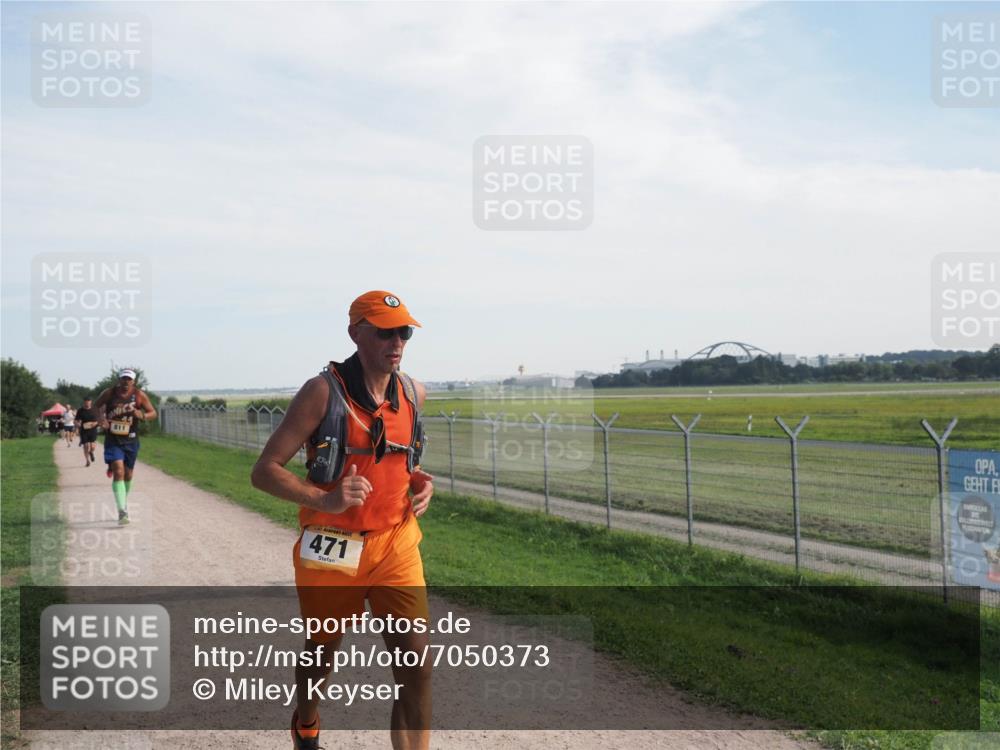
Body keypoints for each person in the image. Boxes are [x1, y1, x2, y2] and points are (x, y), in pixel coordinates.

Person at [251, 290, 434, 750]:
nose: (397, 342)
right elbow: (264, 471)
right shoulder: (321, 393)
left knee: (416, 666)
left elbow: (398, 461)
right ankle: (307, 720)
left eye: (404, 332)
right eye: (385, 332)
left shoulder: (413, 393)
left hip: (395, 543)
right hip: (333, 544)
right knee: (322, 655)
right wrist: (326, 501)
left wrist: (417, 482)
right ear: (355, 333)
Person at [94, 369, 157, 525]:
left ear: (133, 381)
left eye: (129, 379)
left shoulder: (140, 395)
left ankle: (123, 499)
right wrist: (101, 420)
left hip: (131, 440)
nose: (126, 382)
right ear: (119, 380)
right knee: (118, 470)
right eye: (123, 379)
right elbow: (95, 407)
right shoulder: (109, 393)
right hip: (113, 439)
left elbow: (153, 413)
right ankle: (122, 510)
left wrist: (142, 415)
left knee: (128, 475)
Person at [75, 398, 100, 467]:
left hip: (93, 430)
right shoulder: (80, 410)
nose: (87, 403)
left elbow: (99, 419)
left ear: (91, 402)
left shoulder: (95, 410)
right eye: (86, 402)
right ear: (84, 402)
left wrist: (95, 423)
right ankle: (87, 461)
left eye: (88, 402)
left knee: (92, 446)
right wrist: (77, 424)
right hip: (84, 430)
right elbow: (76, 420)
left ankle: (91, 452)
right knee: (86, 446)